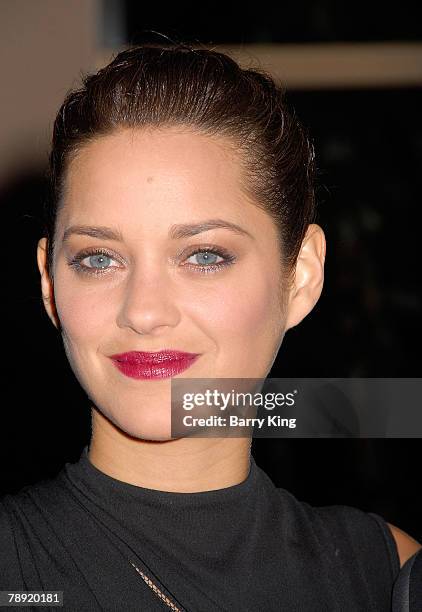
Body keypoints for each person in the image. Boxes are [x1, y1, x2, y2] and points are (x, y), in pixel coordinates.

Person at [1, 42, 420, 611]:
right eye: (99, 259)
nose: (144, 312)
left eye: (203, 256)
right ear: (51, 285)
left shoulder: (386, 574)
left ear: (300, 277)